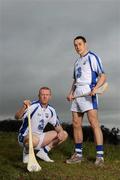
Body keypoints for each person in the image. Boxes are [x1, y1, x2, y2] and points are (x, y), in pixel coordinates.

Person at [66, 36, 106, 166]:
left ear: (85, 44)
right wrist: (71, 93)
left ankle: (100, 157)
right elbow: (75, 80)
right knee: (76, 123)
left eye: (80, 44)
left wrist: (95, 88)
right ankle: (78, 155)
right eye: (75, 45)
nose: (77, 47)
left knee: (94, 123)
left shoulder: (92, 57)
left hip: (89, 93)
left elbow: (103, 76)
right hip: (77, 94)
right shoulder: (77, 62)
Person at [15, 87, 68, 163]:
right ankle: (26, 153)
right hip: (25, 137)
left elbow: (58, 127)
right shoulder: (32, 106)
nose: (45, 96)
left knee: (64, 134)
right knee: (34, 140)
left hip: (39, 137)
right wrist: (23, 107)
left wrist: (60, 132)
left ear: (50, 96)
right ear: (39, 95)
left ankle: (43, 152)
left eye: (47, 94)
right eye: (42, 94)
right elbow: (17, 117)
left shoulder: (51, 110)